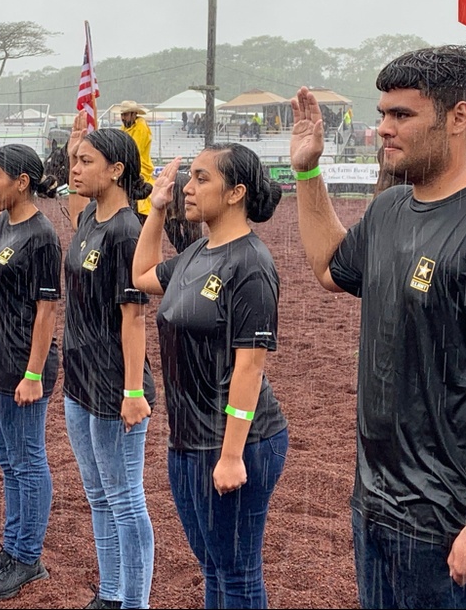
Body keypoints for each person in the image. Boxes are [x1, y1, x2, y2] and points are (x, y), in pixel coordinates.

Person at [291, 45, 466, 610]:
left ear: (459, 118)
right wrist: (308, 171)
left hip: (450, 526)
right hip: (376, 507)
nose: (383, 128)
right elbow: (328, 268)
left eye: (402, 115)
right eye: (383, 113)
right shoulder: (390, 210)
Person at [132, 146, 289, 609]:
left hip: (237, 443)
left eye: (201, 178)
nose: (188, 187)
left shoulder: (252, 264)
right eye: (189, 178)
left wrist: (232, 455)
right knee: (212, 565)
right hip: (188, 439)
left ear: (236, 192)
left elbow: (250, 365)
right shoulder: (197, 251)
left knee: (237, 574)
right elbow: (141, 274)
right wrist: (156, 210)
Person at [62, 111, 156, 610]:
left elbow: (134, 318)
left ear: (117, 169)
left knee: (125, 498)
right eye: (72, 160)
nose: (75, 169)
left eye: (85, 160)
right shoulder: (84, 219)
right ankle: (112, 592)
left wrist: (133, 390)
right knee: (98, 495)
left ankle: (134, 601)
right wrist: (81, 135)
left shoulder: (126, 231)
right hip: (78, 379)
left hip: (115, 384)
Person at [0, 138, 61, 602]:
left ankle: (29, 558)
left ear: (22, 182)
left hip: (24, 364)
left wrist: (35, 374)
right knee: (9, 461)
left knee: (27, 461)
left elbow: (46, 312)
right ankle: (13, 546)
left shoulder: (41, 235)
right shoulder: (2, 220)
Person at [118, 100, 156, 221]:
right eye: (122, 115)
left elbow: (134, 153)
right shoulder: (123, 128)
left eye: (126, 114)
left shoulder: (141, 127)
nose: (123, 118)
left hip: (140, 168)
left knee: (137, 191)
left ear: (134, 114)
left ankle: (143, 215)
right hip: (125, 166)